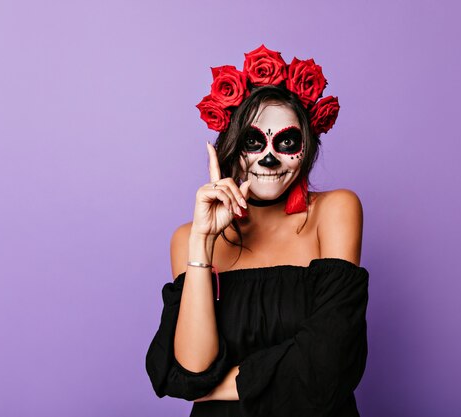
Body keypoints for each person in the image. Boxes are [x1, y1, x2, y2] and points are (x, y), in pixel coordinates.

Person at [146, 45, 370, 417]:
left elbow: (329, 363)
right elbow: (192, 369)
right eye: (254, 141)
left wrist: (221, 388)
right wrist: (202, 243)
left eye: (286, 142)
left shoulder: (335, 211)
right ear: (231, 147)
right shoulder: (189, 237)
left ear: (307, 147)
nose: (269, 158)